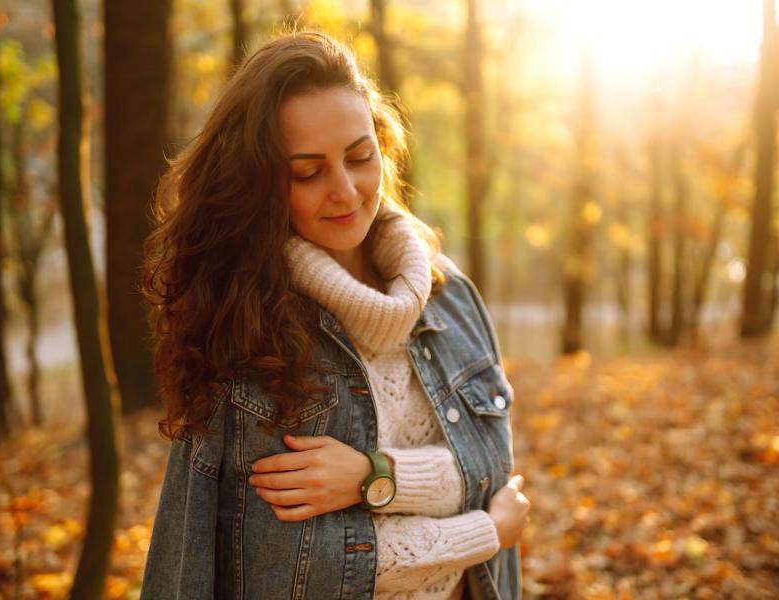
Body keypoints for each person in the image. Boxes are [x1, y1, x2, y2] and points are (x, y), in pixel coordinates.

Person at [140, 31, 530, 600]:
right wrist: (485, 531)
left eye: (359, 157)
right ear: (262, 184)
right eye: (308, 172)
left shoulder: (451, 297)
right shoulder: (246, 330)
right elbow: (300, 568)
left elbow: (493, 468)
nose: (345, 191)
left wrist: (373, 477)